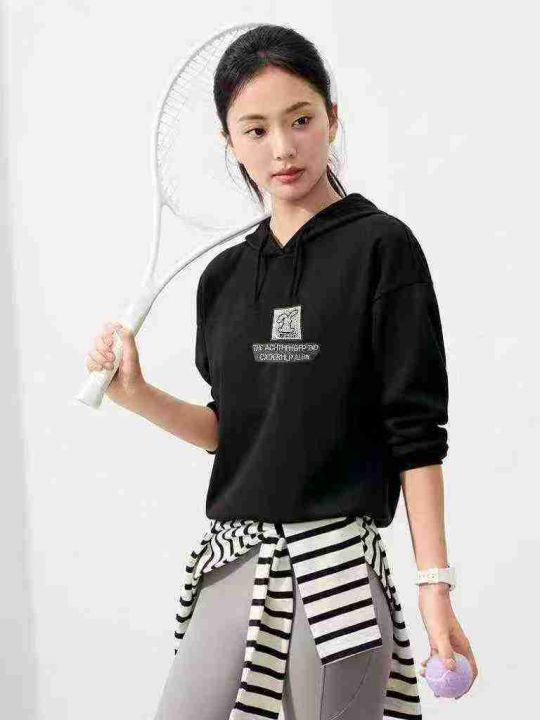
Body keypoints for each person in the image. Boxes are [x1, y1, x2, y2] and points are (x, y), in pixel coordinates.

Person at [85, 23, 478, 720]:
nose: (283, 148)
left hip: (337, 573)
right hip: (235, 561)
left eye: (300, 120)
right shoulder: (225, 277)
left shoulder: (382, 249)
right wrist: (137, 395)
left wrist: (434, 587)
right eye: (256, 129)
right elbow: (229, 430)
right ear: (229, 142)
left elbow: (416, 435)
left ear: (332, 119)